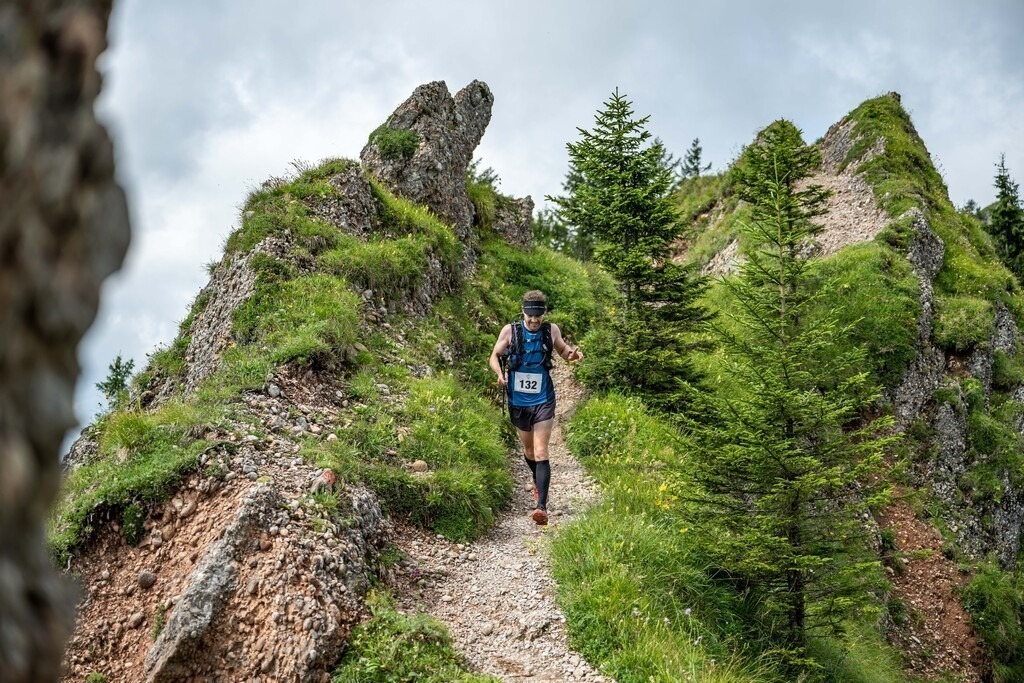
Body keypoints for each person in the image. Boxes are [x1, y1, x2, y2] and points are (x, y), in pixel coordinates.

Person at [489, 290, 583, 525]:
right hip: (518, 401)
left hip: (543, 398)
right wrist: (500, 374)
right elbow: (494, 355)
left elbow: (563, 350)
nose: (533, 321)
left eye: (537, 318)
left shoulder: (551, 330)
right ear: (523, 311)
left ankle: (541, 506)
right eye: (530, 316)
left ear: (543, 315)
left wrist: (572, 355)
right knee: (529, 451)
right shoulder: (510, 331)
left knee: (541, 451)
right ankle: (537, 480)